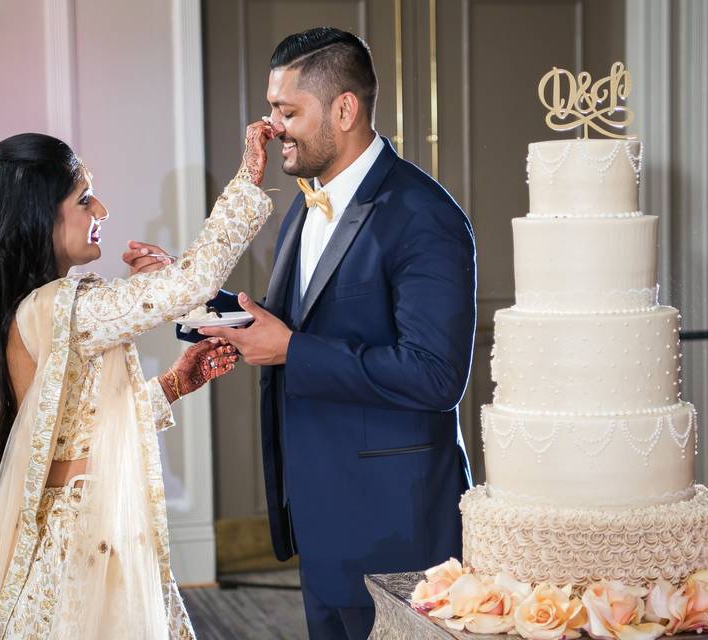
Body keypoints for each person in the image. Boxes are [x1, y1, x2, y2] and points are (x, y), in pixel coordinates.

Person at [139, 26, 476, 640]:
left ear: (344, 109)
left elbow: (436, 375)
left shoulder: (426, 216)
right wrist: (184, 295)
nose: (271, 128)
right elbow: (286, 323)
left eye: (287, 111)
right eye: (271, 109)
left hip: (396, 526)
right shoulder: (304, 204)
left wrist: (292, 349)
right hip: (321, 518)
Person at [0, 123, 275, 639]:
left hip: (84, 531)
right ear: (40, 215)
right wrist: (248, 180)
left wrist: (171, 384)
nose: (100, 211)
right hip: (79, 548)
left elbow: (77, 435)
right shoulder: (57, 306)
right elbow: (192, 283)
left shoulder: (40, 308)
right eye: (85, 199)